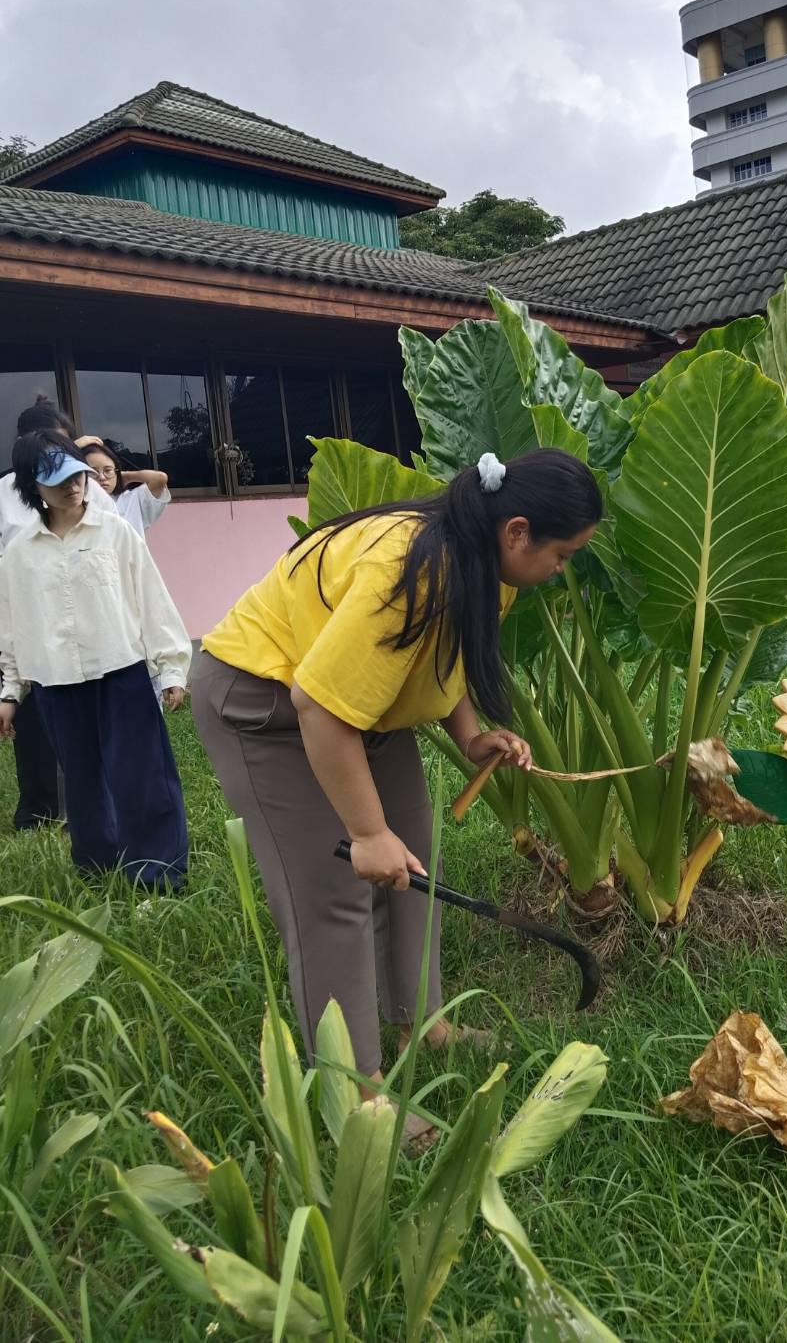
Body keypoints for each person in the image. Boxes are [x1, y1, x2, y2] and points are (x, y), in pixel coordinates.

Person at [191, 447, 600, 1145]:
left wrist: (471, 736)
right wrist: (366, 831)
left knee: (416, 862)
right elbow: (318, 707)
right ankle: (359, 1100)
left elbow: (446, 651)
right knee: (334, 895)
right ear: (518, 531)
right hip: (266, 705)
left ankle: (424, 1022)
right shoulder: (406, 572)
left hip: (353, 707)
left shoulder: (484, 559)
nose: (561, 570)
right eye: (562, 555)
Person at [0, 434, 191, 890]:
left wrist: (171, 667)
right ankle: (98, 868)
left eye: (76, 475)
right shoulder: (19, 552)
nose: (73, 487)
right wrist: (10, 691)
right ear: (31, 487)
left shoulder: (115, 532)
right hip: (55, 682)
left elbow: (151, 598)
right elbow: (13, 625)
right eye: (58, 481)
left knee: (141, 775)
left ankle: (158, 874)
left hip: (120, 672)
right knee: (82, 784)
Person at [0, 398, 113, 830]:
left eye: (66, 446)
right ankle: (40, 809)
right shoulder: (6, 492)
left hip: (88, 615)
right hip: (31, 617)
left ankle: (91, 807)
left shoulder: (88, 488)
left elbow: (114, 539)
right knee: (33, 718)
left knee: (91, 717)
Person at [82, 439, 171, 541]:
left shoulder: (133, 500)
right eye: (93, 472)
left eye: (107, 470)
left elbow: (159, 478)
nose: (102, 477)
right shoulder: (77, 504)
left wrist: (125, 477)